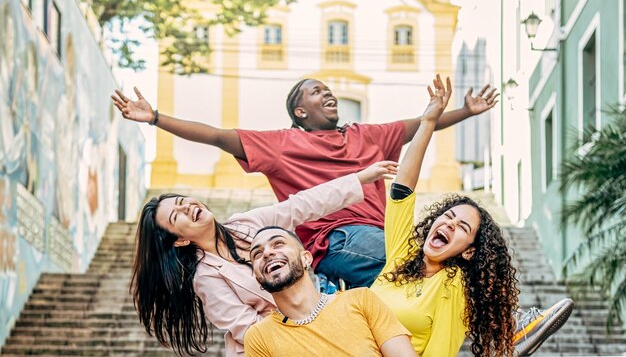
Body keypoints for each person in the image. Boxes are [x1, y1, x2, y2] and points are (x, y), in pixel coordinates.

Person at [112, 78, 498, 288]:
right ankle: (504, 324)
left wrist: (467, 110)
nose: (327, 93)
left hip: (383, 236)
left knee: (409, 301)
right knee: (432, 263)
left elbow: (424, 123)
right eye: (316, 92)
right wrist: (155, 118)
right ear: (300, 111)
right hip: (337, 241)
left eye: (328, 90)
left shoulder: (369, 134)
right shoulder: (281, 144)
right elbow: (215, 135)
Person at [369, 75, 573, 356]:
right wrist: (428, 122)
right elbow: (402, 190)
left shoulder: (452, 286)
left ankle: (515, 328)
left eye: (462, 227)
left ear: (468, 252)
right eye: (448, 216)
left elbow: (441, 350)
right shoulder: (402, 256)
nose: (449, 223)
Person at [130, 161, 398, 356]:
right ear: (180, 240)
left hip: (309, 321)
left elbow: (300, 205)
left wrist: (359, 178)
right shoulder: (206, 277)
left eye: (181, 201)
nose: (187, 207)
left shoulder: (245, 223)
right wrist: (312, 331)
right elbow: (248, 328)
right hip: (269, 347)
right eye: (178, 216)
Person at [244, 225, 417, 357]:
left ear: (306, 258)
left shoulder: (361, 299)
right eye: (257, 254)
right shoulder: (259, 337)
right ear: (257, 276)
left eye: (278, 243)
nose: (267, 253)